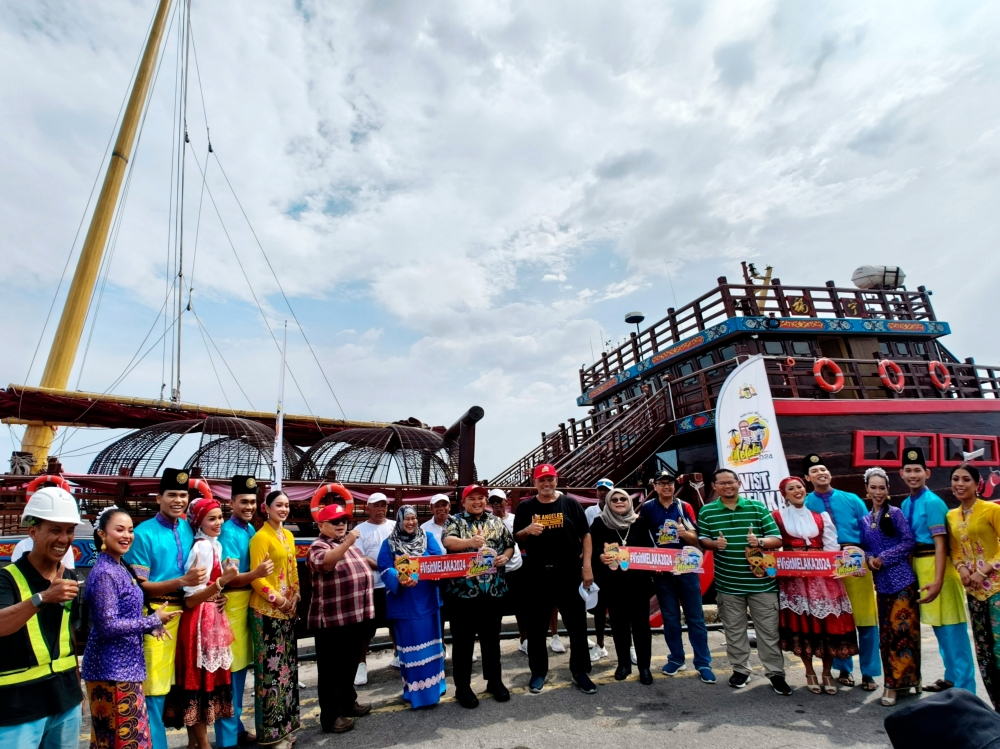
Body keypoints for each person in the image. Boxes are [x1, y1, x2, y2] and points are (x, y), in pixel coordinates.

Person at [83, 507, 180, 749]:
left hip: (125, 666)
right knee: (124, 740)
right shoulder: (105, 572)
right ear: (102, 534)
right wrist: (150, 621)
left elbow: (123, 617)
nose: (127, 535)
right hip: (112, 669)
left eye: (130, 530)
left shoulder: (119, 566)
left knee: (124, 739)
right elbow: (107, 625)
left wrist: (149, 627)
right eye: (119, 529)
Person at [125, 468, 208, 749]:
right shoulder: (143, 533)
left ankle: (196, 742)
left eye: (183, 495)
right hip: (156, 618)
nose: (178, 500)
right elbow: (140, 586)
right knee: (155, 692)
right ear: (158, 497)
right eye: (172, 494)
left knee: (186, 685)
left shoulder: (186, 527)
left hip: (187, 614)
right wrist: (182, 580)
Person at [0, 487, 83, 749]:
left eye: (69, 531)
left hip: (65, 700)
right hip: (19, 705)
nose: (64, 539)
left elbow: (68, 634)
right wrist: (43, 598)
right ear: (33, 531)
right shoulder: (6, 578)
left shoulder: (69, 577)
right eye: (55, 530)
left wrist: (76, 689)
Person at [698, 468, 790, 694]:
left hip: (762, 585)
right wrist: (714, 545)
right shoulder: (707, 512)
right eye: (722, 483)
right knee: (734, 631)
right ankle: (741, 670)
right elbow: (703, 540)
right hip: (728, 584)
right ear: (714, 486)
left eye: (731, 482)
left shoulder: (757, 507)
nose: (728, 486)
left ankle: (776, 673)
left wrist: (759, 540)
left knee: (768, 632)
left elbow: (776, 539)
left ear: (739, 483)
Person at [513, 463, 597, 695]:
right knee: (537, 627)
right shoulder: (526, 506)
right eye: (542, 480)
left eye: (550, 479)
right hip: (538, 571)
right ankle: (538, 672)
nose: (546, 484)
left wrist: (587, 566)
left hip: (569, 570)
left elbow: (585, 535)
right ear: (535, 482)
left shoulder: (570, 503)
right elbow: (516, 537)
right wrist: (528, 530)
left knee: (577, 625)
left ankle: (580, 672)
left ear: (556, 481)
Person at [163, 498, 239, 749]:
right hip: (199, 623)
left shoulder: (213, 546)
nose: (218, 523)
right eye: (212, 518)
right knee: (199, 681)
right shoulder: (203, 548)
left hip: (209, 620)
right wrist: (220, 584)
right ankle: (204, 745)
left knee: (201, 681)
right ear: (199, 522)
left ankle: (195, 744)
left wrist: (219, 593)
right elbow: (191, 599)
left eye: (220, 517)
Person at [900, 447, 976, 694]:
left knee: (953, 632)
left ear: (927, 473)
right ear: (901, 473)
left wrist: (938, 580)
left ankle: (966, 692)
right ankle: (951, 678)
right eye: (908, 470)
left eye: (918, 470)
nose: (913, 475)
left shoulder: (932, 502)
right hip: (921, 568)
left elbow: (941, 544)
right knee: (939, 629)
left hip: (937, 566)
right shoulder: (906, 502)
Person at [773, 476, 858, 695]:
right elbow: (776, 547)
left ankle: (827, 672)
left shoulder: (820, 517)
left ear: (805, 489)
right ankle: (809, 671)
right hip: (795, 579)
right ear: (785, 494)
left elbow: (831, 547)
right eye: (791, 488)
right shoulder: (777, 517)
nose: (797, 491)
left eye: (799, 487)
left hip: (823, 578)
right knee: (804, 625)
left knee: (828, 623)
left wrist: (839, 569)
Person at [802, 454, 880, 691]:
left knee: (867, 620)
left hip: (856, 559)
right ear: (807, 478)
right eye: (815, 471)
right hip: (827, 565)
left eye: (823, 469)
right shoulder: (805, 504)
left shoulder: (852, 499)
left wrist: (868, 557)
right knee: (837, 620)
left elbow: (869, 531)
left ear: (830, 473)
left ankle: (869, 672)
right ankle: (844, 669)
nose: (821, 473)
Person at [442, 485, 515, 707]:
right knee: (463, 641)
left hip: (493, 591)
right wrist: (470, 543)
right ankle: (462, 687)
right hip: (463, 593)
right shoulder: (455, 521)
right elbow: (448, 542)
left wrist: (504, 557)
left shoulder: (496, 521)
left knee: (491, 639)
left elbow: (509, 545)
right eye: (472, 498)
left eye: (481, 498)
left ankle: (494, 681)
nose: (478, 502)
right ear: (463, 502)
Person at [639, 470, 713, 683]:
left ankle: (703, 662)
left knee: (695, 618)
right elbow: (644, 538)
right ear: (655, 487)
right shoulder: (647, 508)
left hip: (687, 569)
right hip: (663, 572)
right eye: (661, 483)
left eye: (669, 483)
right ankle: (676, 658)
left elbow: (696, 538)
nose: (666, 487)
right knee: (670, 618)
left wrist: (684, 532)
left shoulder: (684, 506)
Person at [216, 476, 273, 749]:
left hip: (248, 606)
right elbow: (230, 578)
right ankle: (228, 739)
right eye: (244, 502)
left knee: (240, 673)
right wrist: (257, 574)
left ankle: (236, 729)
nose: (249, 506)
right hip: (232, 607)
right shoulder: (227, 532)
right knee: (231, 675)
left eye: (252, 502)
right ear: (231, 503)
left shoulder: (250, 528)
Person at [307, 503, 374, 734]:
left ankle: (347, 703)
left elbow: (363, 563)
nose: (341, 525)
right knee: (331, 671)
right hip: (332, 621)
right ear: (321, 525)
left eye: (343, 521)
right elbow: (326, 563)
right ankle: (331, 717)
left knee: (350, 664)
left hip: (355, 617)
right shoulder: (318, 546)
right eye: (335, 522)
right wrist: (347, 541)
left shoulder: (349, 544)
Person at [857, 466, 920, 707]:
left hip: (903, 581)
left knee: (903, 636)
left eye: (881, 487)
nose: (878, 492)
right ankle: (898, 681)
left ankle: (896, 686)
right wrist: (870, 557)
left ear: (888, 489)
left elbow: (908, 542)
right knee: (886, 636)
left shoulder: (895, 513)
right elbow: (866, 546)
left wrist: (883, 557)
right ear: (867, 490)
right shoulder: (864, 519)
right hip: (882, 584)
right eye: (873, 487)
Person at [377, 505, 447, 708]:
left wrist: (423, 568)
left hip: (427, 601)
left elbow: (437, 561)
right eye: (406, 519)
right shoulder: (390, 543)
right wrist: (400, 576)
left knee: (433, 647)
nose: (410, 522)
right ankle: (415, 694)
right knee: (411, 649)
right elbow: (384, 568)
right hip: (405, 604)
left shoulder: (427, 538)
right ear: (399, 521)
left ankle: (435, 687)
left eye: (413, 519)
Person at [585, 487, 654, 683]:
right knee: (619, 625)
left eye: (622, 498)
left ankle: (644, 667)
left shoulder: (639, 522)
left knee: (641, 626)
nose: (618, 502)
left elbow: (650, 549)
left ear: (629, 501)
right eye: (613, 499)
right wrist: (600, 556)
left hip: (639, 583)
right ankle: (623, 663)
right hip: (613, 583)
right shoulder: (600, 522)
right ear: (607, 503)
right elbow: (594, 547)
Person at [249, 491, 300, 748]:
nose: (283, 509)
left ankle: (285, 727)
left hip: (287, 612)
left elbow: (292, 568)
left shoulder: (288, 534)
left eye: (287, 505)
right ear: (265, 508)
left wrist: (296, 595)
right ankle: (270, 736)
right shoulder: (261, 538)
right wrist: (279, 600)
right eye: (278, 504)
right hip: (267, 612)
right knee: (270, 675)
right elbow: (256, 578)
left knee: (286, 673)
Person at [947, 462, 1000, 708]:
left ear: (977, 483)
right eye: (956, 479)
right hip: (974, 592)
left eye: (966, 479)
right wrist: (962, 568)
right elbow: (955, 549)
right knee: (984, 651)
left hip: (997, 589)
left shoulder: (991, 510)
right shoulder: (951, 515)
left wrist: (983, 570)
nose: (960, 483)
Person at [355, 492, 396, 686]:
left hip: (393, 584)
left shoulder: (395, 525)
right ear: (367, 508)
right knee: (365, 630)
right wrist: (384, 566)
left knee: (395, 623)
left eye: (384, 506)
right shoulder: (359, 529)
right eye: (376, 506)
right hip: (370, 586)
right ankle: (361, 664)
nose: (380, 510)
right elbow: (360, 557)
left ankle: (399, 655)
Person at [488, 490, 528, 656]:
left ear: (506, 501)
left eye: (499, 500)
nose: (496, 504)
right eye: (493, 501)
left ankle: (524, 640)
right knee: (494, 610)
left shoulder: (515, 519)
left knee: (522, 607)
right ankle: (492, 644)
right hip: (494, 572)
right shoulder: (487, 521)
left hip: (515, 568)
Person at [585, 478, 614, 662]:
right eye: (600, 490)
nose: (603, 493)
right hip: (599, 562)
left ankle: (630, 646)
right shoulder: (590, 512)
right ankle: (600, 644)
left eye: (606, 490)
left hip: (619, 564)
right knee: (599, 607)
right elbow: (587, 538)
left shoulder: (621, 508)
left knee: (622, 608)